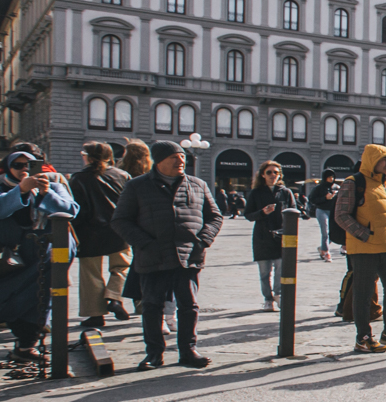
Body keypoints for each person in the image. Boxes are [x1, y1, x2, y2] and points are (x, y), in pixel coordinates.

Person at [110, 140, 220, 370]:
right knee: (152, 306)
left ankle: (188, 351)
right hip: (153, 255)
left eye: (183, 157)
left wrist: (203, 241)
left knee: (189, 305)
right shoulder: (137, 186)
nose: (181, 161)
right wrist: (144, 243)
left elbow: (215, 217)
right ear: (159, 161)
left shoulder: (197, 184)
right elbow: (120, 220)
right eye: (174, 158)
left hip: (188, 255)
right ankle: (154, 354)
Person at [0, 149, 78, 367]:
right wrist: (21, 190)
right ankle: (23, 342)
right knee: (12, 296)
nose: (24, 169)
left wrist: (45, 193)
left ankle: (27, 345)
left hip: (47, 250)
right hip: (14, 255)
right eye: (18, 165)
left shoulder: (54, 183)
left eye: (28, 165)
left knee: (42, 298)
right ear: (8, 167)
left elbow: (71, 209)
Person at [333, 142, 386, 354]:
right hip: (364, 248)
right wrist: (364, 234)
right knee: (363, 294)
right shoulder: (354, 183)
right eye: (384, 159)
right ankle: (363, 337)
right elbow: (341, 215)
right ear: (372, 160)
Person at [68, 141, 132, 328]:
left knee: (90, 273)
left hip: (88, 232)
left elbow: (76, 208)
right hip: (118, 230)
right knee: (122, 266)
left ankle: (95, 314)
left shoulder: (78, 178)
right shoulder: (122, 175)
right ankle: (114, 297)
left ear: (87, 157)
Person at [244, 161, 300, 311]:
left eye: (276, 172)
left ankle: (278, 295)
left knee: (280, 270)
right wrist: (262, 212)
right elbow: (248, 215)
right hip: (262, 237)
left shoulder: (285, 192)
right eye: (269, 172)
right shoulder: (256, 192)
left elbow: (294, 212)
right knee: (264, 272)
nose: (273, 175)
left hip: (281, 237)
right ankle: (268, 299)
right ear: (263, 175)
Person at [308, 171, 342, 262]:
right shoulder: (318, 188)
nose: (331, 179)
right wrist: (325, 198)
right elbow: (312, 200)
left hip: (333, 211)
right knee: (325, 232)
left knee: (333, 232)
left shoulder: (336, 187)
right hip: (322, 210)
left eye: (332, 177)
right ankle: (326, 252)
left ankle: (322, 248)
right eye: (329, 177)